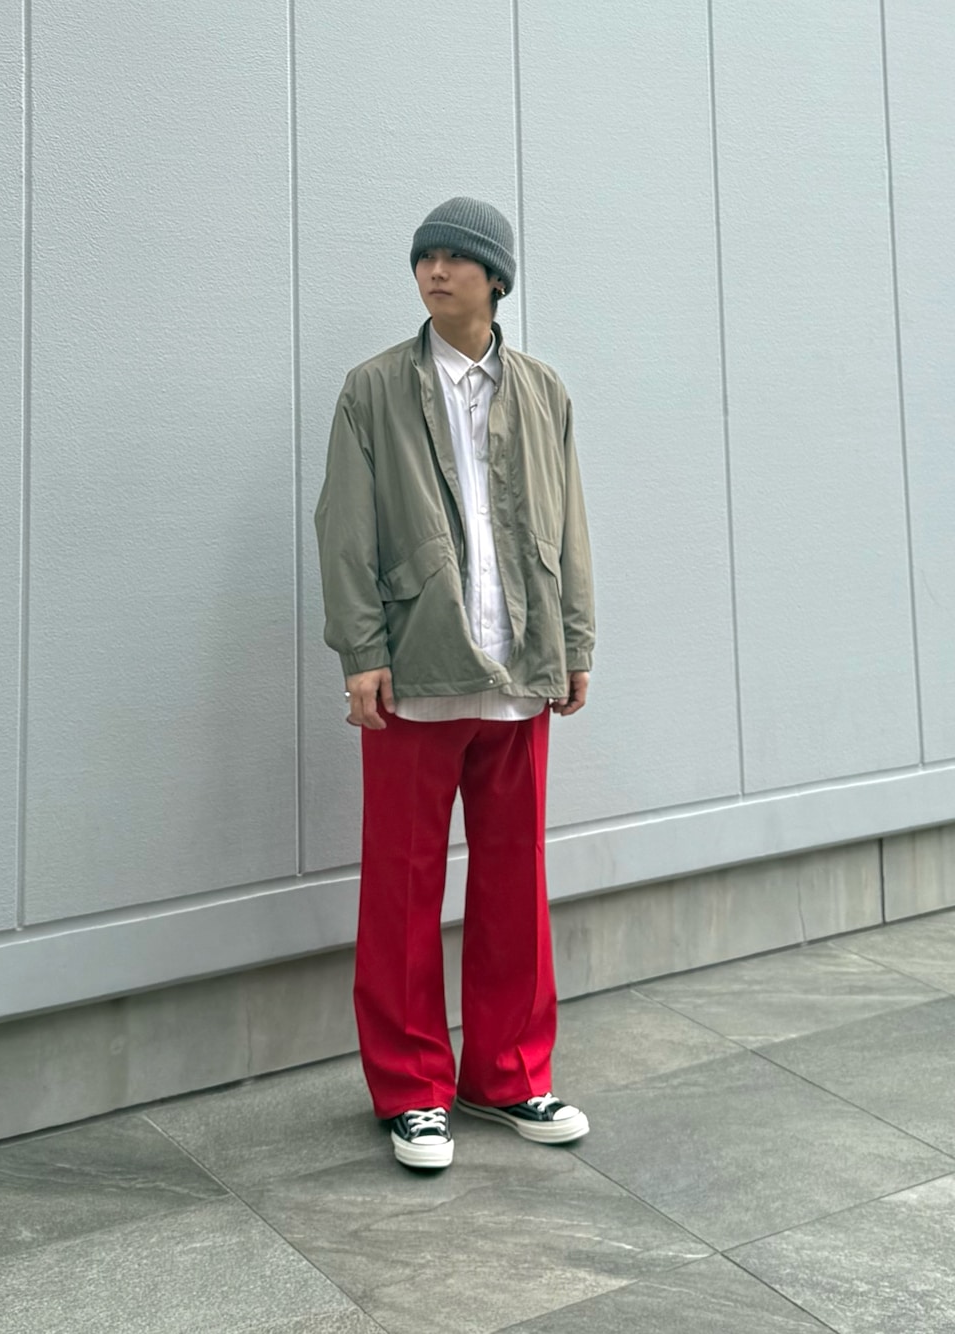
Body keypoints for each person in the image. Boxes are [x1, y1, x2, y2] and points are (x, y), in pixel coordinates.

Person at [315, 197, 595, 1170]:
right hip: (415, 676)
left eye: (453, 258)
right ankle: (410, 1089)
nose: (434, 272)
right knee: (401, 884)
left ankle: (509, 1074)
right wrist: (361, 652)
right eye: (423, 258)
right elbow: (344, 530)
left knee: (516, 878)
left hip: (520, 670)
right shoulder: (373, 390)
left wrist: (574, 640)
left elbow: (569, 524)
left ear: (495, 278)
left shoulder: (544, 390)